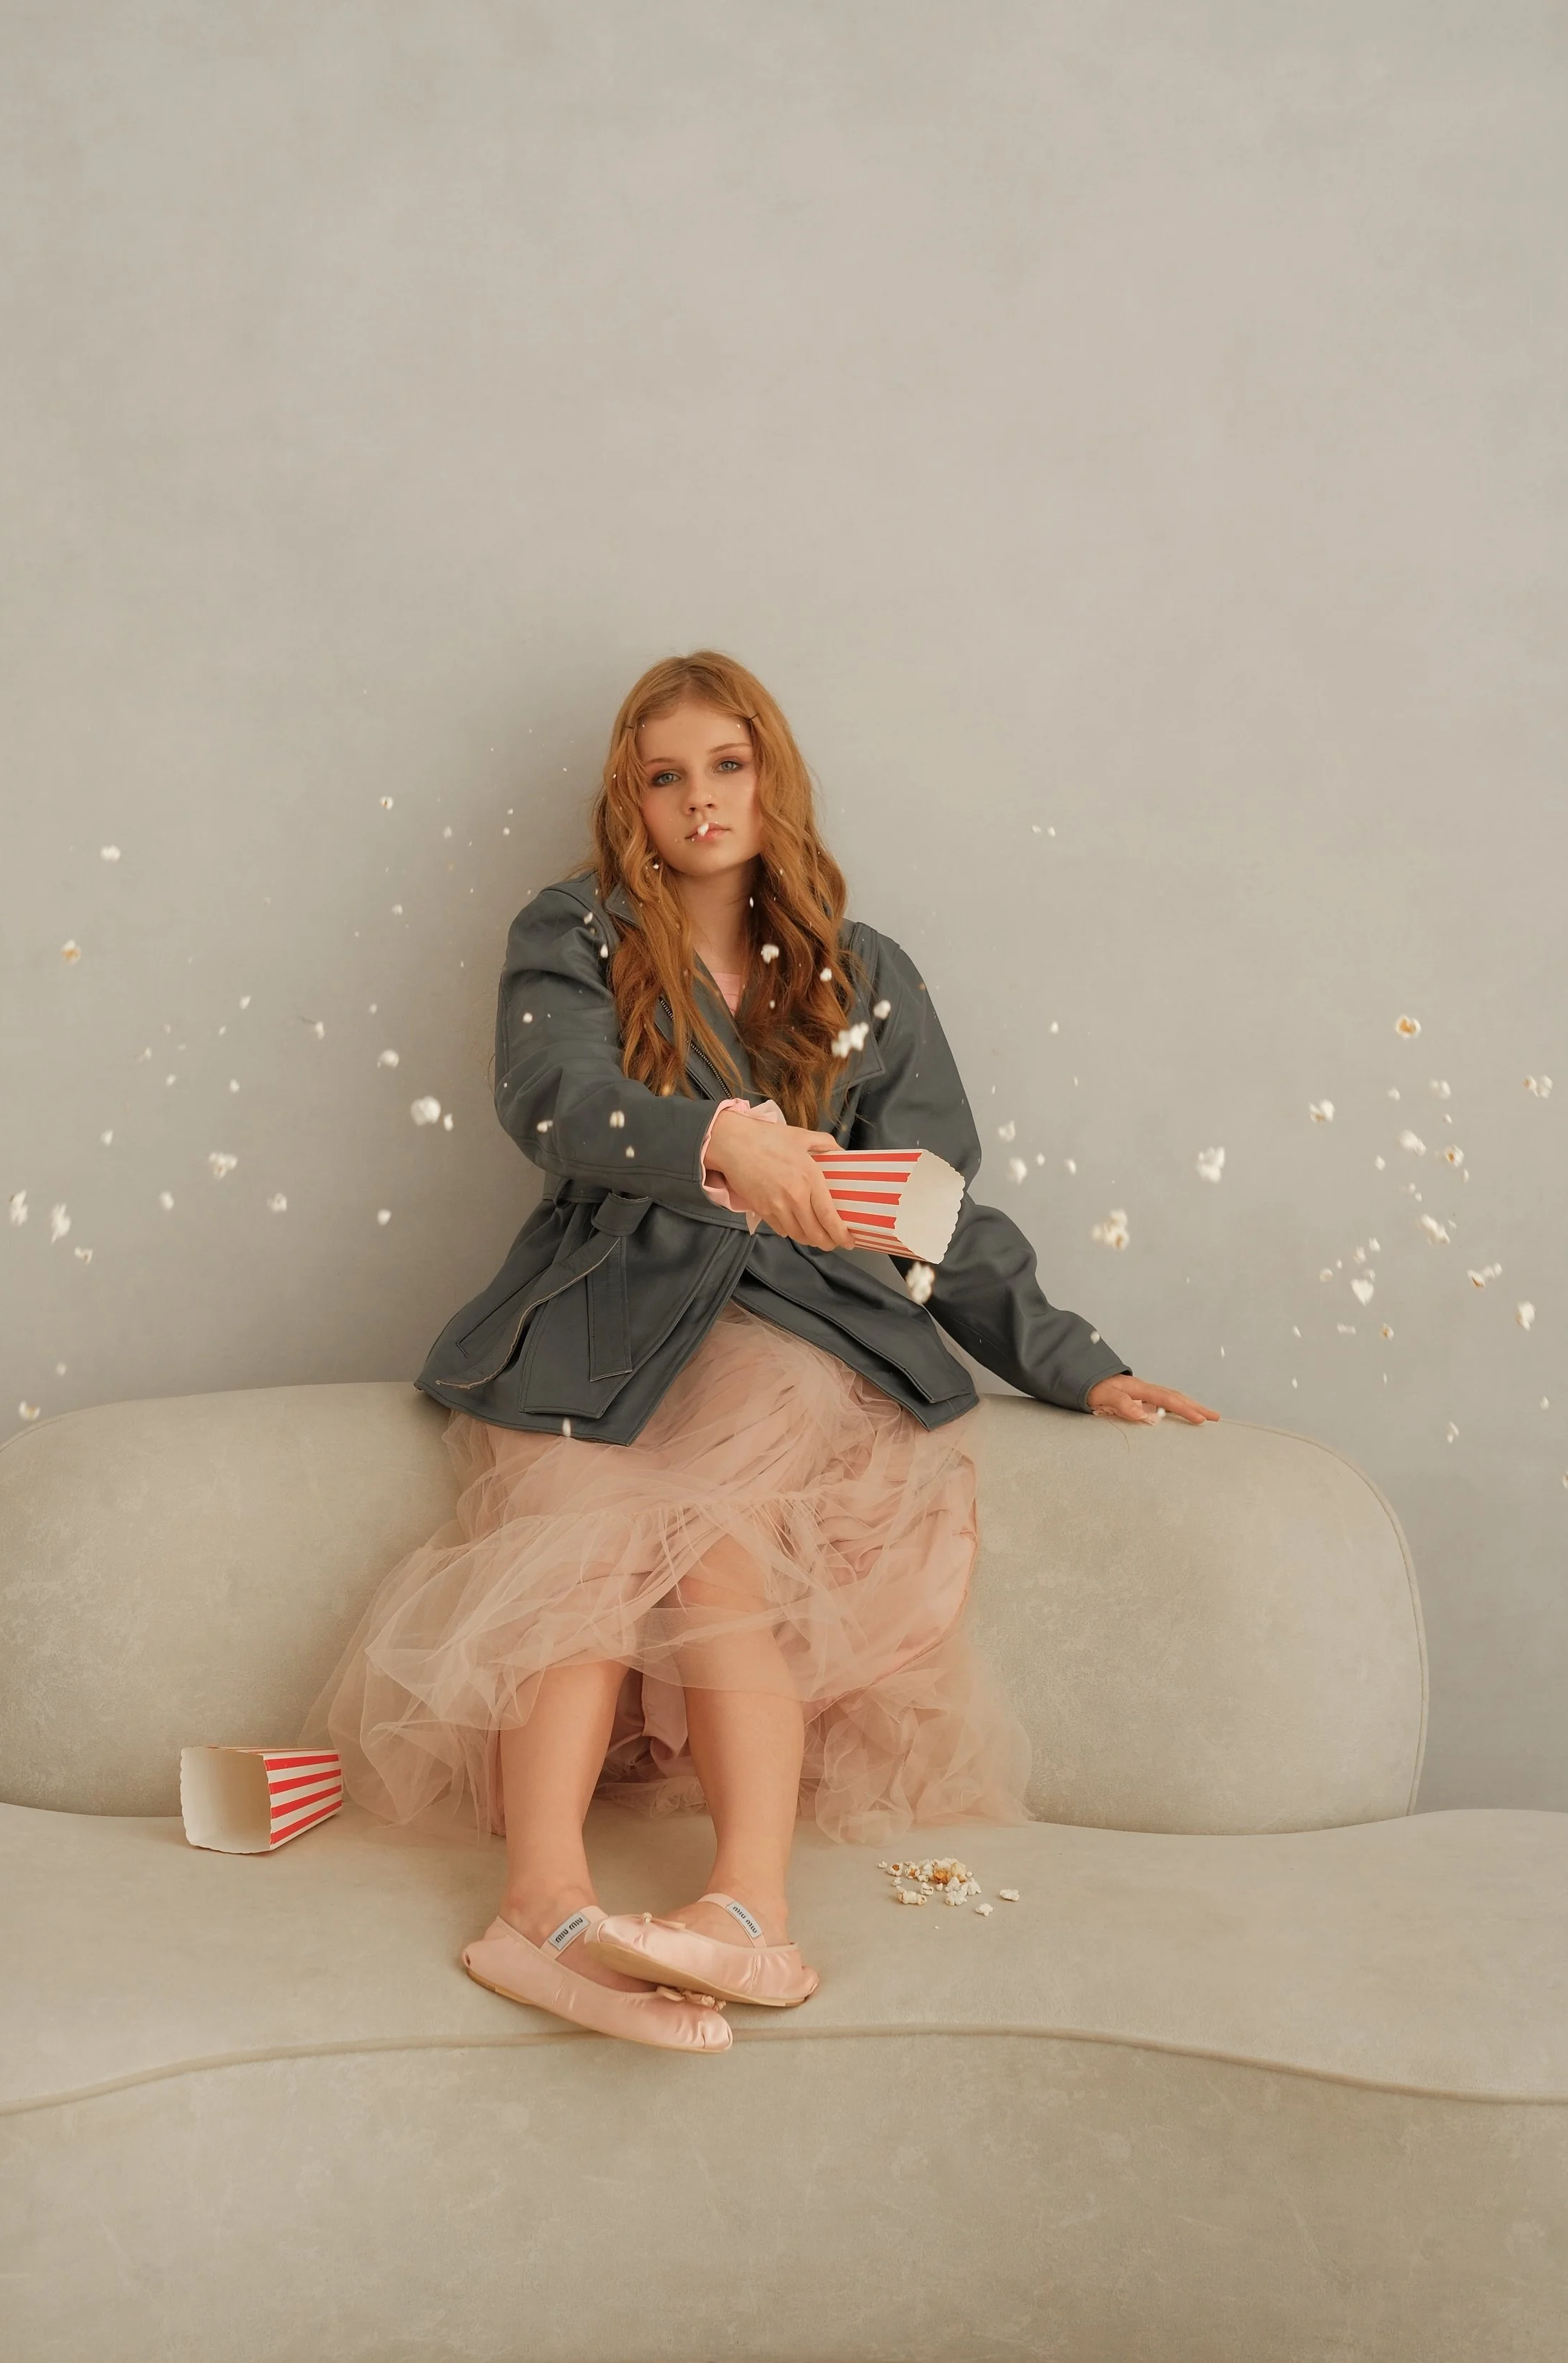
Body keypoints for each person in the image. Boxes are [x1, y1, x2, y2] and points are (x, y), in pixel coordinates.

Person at [310, 651, 1217, 2056]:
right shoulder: (574, 931)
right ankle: (538, 1910)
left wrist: (1071, 1360)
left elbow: (923, 1203)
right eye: (663, 776)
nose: (699, 799)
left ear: (769, 776)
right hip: (602, 1314)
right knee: (579, 1544)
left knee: (720, 1540)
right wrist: (720, 1142)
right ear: (629, 800)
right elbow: (554, 1097)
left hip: (796, 1322)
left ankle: (748, 1910)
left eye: (726, 766)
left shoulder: (864, 969)